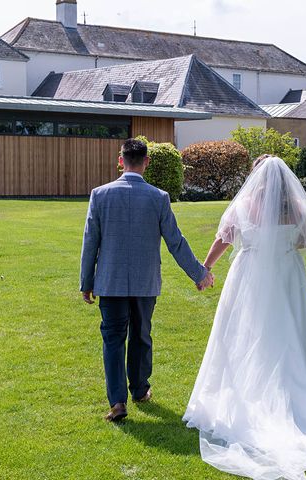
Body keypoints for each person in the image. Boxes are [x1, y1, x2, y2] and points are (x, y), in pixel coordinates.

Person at [184, 155, 306, 479]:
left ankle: (249, 395)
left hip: (250, 276)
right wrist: (282, 244)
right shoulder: (295, 208)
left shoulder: (244, 204)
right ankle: (302, 398)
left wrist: (206, 267)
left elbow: (224, 238)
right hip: (287, 276)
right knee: (291, 334)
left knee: (243, 336)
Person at [80, 138, 214, 422]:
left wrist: (86, 281)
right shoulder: (158, 197)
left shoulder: (100, 195)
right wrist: (199, 274)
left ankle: (117, 402)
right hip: (145, 282)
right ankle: (140, 390)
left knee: (113, 340)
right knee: (141, 337)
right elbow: (175, 242)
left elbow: (90, 241)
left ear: (121, 161)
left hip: (110, 281)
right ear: (146, 162)